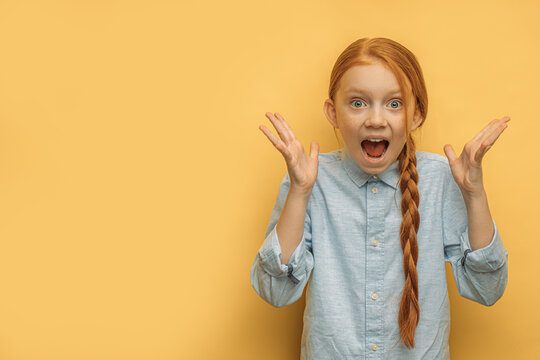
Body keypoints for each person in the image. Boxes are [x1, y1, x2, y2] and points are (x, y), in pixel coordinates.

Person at [250, 37, 509, 359]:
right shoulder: (307, 179)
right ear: (333, 113)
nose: (375, 119)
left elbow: (487, 290)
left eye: (395, 103)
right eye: (358, 103)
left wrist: (475, 196)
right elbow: (274, 291)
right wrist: (301, 191)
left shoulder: (441, 178)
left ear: (416, 115)